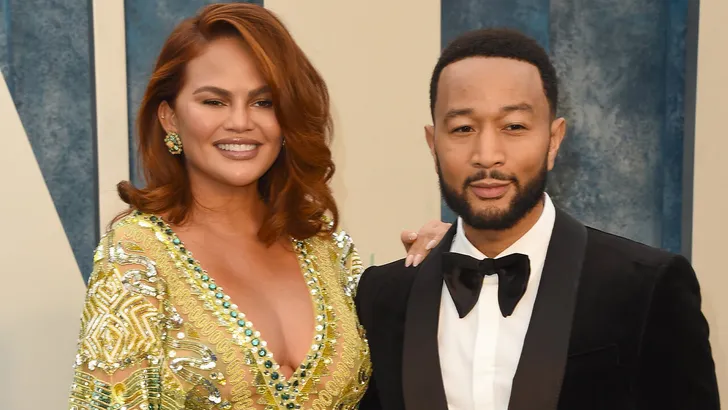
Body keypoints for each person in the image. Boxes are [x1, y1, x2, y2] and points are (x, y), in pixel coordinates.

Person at [66, 4, 447, 409]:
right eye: (214, 101)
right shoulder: (135, 257)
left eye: (264, 102)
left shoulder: (326, 249)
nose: (241, 121)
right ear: (169, 117)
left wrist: (439, 264)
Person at [355, 28, 720, 410]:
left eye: (513, 126)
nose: (487, 155)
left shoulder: (647, 287)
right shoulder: (384, 295)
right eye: (463, 128)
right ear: (434, 145)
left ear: (553, 140)